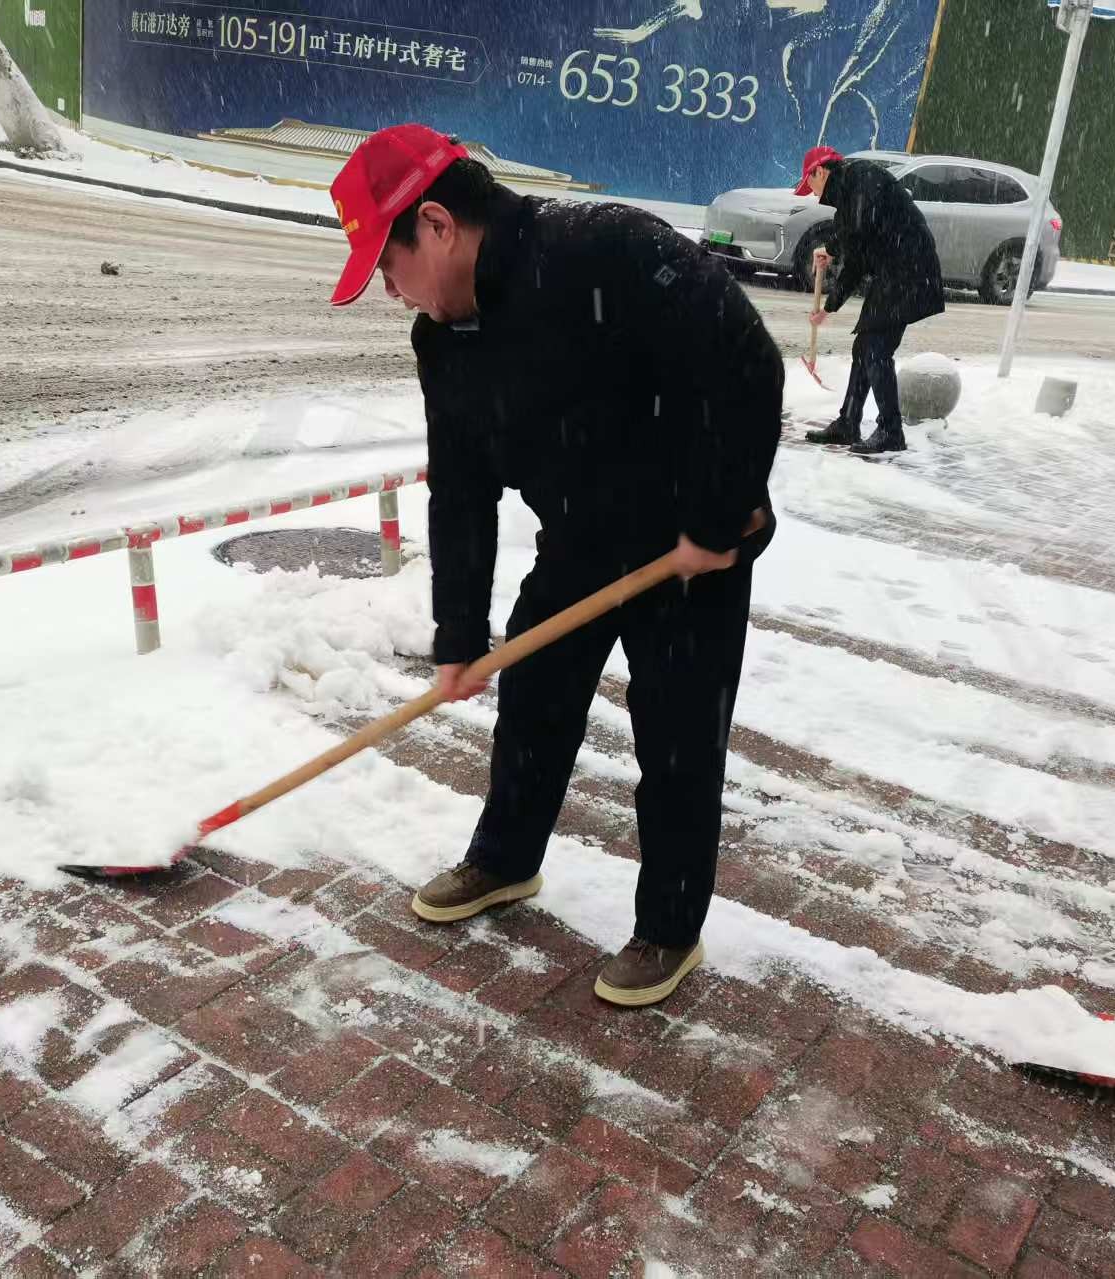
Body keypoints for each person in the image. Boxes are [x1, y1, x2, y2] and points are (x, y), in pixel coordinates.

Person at [328, 125, 782, 1007]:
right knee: (532, 695)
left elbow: (745, 362)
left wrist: (717, 515)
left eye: (388, 263)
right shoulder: (445, 341)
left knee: (678, 737)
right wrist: (458, 634)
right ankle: (504, 859)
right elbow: (461, 490)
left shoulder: (605, 249)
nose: (388, 289)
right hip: (580, 542)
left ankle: (669, 927)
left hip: (689, 552)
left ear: (437, 226)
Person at [799, 145, 944, 455]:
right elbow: (856, 249)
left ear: (819, 172)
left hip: (910, 270)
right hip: (895, 273)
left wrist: (832, 249)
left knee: (876, 349)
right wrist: (829, 302)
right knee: (864, 346)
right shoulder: (850, 195)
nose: (812, 194)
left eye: (809, 185)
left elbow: (858, 234)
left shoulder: (862, 177)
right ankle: (848, 423)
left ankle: (891, 431)